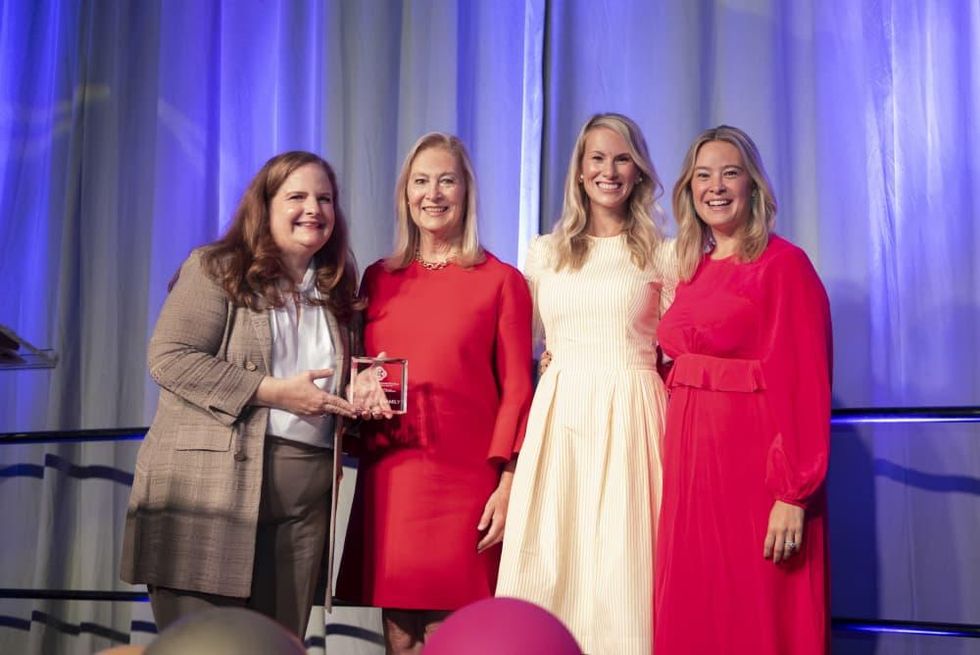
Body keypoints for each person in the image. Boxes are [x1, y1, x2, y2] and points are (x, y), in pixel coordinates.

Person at [121, 151, 365, 639]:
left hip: (304, 507)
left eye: (324, 199)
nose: (313, 209)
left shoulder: (336, 290)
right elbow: (169, 357)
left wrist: (361, 387)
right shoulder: (215, 268)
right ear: (265, 205)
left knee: (278, 645)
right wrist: (273, 392)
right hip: (211, 492)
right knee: (206, 644)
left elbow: (335, 382)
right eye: (297, 196)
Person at [336, 132, 534, 654]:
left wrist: (509, 483)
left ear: (466, 191)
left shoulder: (502, 280)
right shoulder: (377, 279)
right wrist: (357, 385)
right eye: (421, 181)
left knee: (454, 634)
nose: (433, 193)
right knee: (399, 633)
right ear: (405, 194)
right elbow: (354, 369)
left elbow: (518, 389)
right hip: (393, 478)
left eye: (447, 181)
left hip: (468, 482)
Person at [496, 113, 675, 655]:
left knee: (624, 565)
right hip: (561, 417)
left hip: (634, 418)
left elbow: (681, 347)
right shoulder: (545, 253)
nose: (609, 171)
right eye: (597, 158)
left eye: (622, 159)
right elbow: (513, 343)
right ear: (579, 170)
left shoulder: (665, 254)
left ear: (639, 171)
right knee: (554, 560)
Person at [654, 125, 831, 654]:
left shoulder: (784, 265)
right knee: (697, 609)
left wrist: (791, 494)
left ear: (752, 184)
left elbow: (805, 384)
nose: (716, 187)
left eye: (730, 173)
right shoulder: (692, 270)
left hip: (753, 472)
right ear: (689, 189)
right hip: (689, 471)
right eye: (703, 176)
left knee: (757, 611)